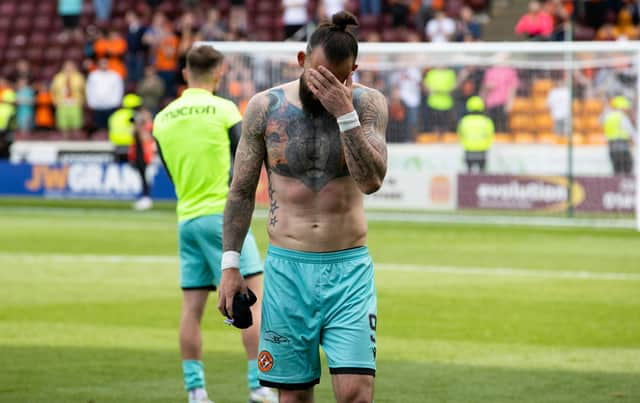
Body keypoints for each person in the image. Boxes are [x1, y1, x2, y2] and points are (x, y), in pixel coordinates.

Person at [218, 11, 388, 403]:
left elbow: (371, 181)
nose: (326, 86)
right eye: (318, 75)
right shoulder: (264, 107)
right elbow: (241, 192)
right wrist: (230, 265)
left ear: (353, 71)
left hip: (348, 271)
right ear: (301, 61)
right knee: (292, 397)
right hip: (287, 271)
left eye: (338, 78)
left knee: (356, 395)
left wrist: (344, 113)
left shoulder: (367, 105)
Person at [152, 45, 278, 403]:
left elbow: (170, 171)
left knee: (191, 310)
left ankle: (196, 390)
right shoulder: (224, 109)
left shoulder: (163, 117)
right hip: (222, 217)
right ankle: (259, 385)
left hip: (187, 218)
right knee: (254, 301)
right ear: (219, 73)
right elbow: (246, 164)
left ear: (184, 73)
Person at [457, 96, 495, 173]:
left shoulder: (464, 121)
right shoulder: (487, 121)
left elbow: (460, 134)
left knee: (469, 174)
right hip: (482, 151)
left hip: (469, 150)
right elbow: (490, 135)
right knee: (482, 174)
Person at [86, 58, 124, 132]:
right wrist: (91, 102)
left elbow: (119, 89)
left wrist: (117, 101)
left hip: (111, 105)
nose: (104, 65)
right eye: (102, 63)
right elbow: (89, 89)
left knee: (111, 125)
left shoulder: (115, 75)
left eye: (105, 63)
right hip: (97, 105)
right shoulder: (93, 75)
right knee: (99, 126)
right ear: (99, 65)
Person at [51, 61, 86, 138]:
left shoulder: (79, 77)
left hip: (75, 102)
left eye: (71, 66)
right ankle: (65, 137)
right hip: (62, 102)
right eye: (67, 66)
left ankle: (76, 138)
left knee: (76, 122)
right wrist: (54, 100)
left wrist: (83, 100)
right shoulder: (58, 77)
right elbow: (53, 90)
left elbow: (83, 90)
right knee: (63, 122)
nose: (69, 68)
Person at [602, 96, 635, 175]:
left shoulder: (607, 116)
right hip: (623, 149)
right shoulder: (622, 117)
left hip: (612, 148)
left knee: (616, 170)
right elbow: (631, 132)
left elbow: (600, 121)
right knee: (628, 170)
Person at [0, 89, 17, 159]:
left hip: (3, 132)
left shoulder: (1, 107)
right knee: (6, 151)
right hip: (5, 133)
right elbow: (10, 123)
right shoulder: (12, 110)